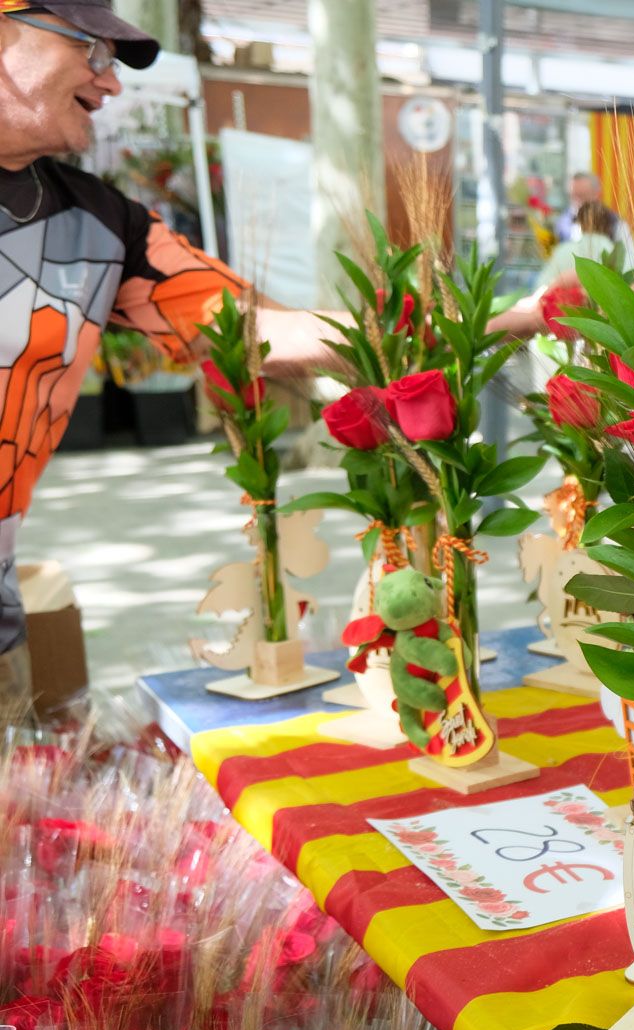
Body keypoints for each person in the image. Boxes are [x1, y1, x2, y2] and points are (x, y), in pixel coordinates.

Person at [0, 0, 546, 709]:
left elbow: (260, 331)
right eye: (92, 52)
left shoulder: (101, 224)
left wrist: (508, 318)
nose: (110, 85)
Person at [537, 200, 634, 287]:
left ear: (580, 224)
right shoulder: (619, 255)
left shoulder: (563, 251)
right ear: (608, 224)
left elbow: (543, 284)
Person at [555, 172, 600, 244]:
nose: (577, 201)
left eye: (582, 195)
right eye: (573, 196)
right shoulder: (563, 221)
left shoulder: (613, 223)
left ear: (596, 195)